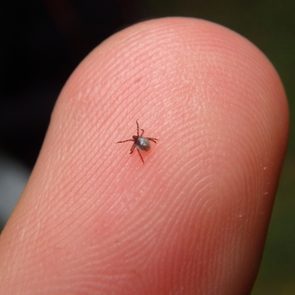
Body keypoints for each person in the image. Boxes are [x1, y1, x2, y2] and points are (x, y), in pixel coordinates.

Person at [0, 17, 289, 294]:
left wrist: (141, 146)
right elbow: (142, 141)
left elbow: (141, 142)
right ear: (141, 140)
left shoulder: (139, 142)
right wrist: (143, 145)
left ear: (139, 139)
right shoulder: (140, 140)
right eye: (139, 141)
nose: (139, 140)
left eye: (138, 139)